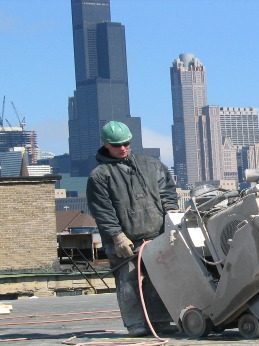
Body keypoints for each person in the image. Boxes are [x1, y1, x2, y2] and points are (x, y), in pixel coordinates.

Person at [87, 121, 179, 337]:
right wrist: (117, 237)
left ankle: (159, 320)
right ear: (106, 144)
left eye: (126, 143)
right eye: (117, 145)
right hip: (124, 240)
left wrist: (172, 220)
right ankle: (136, 323)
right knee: (127, 282)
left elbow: (168, 194)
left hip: (156, 235)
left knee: (159, 278)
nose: (123, 148)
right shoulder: (100, 176)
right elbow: (103, 211)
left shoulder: (151, 165)